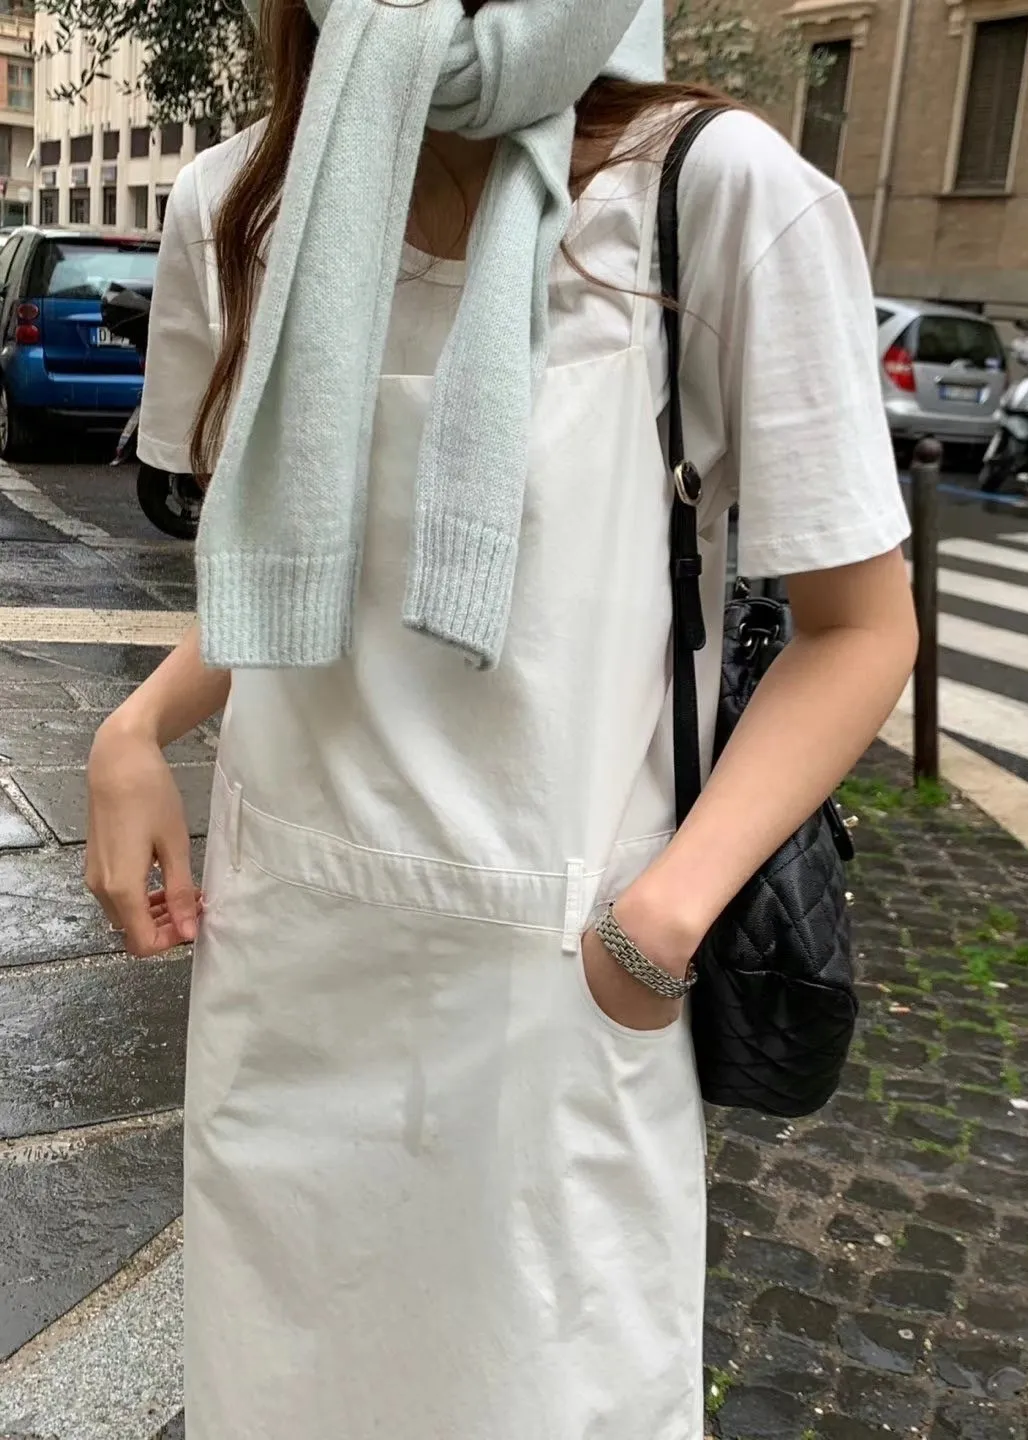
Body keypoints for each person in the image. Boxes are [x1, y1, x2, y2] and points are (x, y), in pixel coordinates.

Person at [85, 0, 918, 1435]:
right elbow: (286, 563)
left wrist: (663, 918)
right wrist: (136, 728)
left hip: (560, 986)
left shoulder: (710, 192)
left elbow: (859, 626)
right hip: (292, 977)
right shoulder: (244, 199)